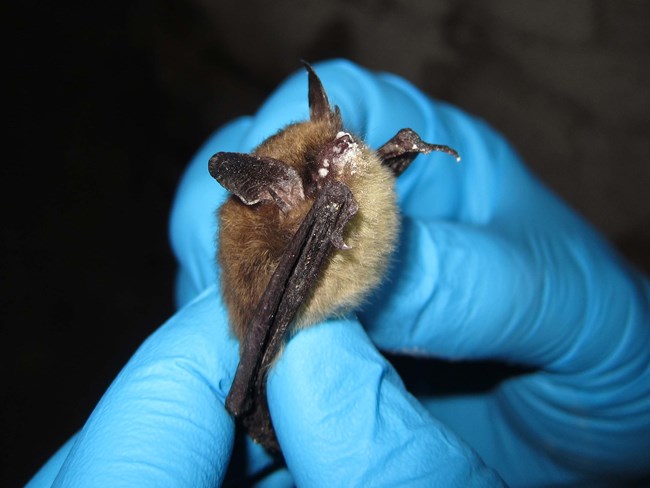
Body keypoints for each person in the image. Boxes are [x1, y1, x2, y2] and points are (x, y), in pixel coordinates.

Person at [28, 59, 650, 487]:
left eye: (342, 139)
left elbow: (350, 171)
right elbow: (316, 216)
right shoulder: (299, 220)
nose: (345, 150)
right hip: (283, 275)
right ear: (282, 193)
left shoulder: (343, 176)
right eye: (328, 161)